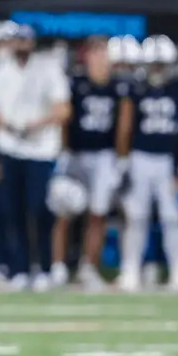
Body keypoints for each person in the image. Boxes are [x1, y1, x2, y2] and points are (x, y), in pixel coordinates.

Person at [0, 24, 71, 289]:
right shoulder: (1, 71)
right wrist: (9, 127)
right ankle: (19, 268)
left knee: (39, 208)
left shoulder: (48, 68)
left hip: (41, 149)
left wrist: (36, 124)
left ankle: (43, 267)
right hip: (11, 148)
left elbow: (63, 109)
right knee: (14, 211)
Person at [50, 36, 131, 288]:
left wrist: (121, 158)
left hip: (105, 155)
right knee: (64, 210)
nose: (100, 59)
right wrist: (63, 151)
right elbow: (65, 118)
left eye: (103, 53)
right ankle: (58, 266)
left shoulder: (118, 87)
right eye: (95, 53)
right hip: (77, 153)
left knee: (98, 214)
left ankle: (89, 267)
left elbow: (124, 124)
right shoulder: (75, 84)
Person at [121, 34, 178, 291]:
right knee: (136, 216)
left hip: (167, 160)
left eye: (161, 64)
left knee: (173, 218)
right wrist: (124, 160)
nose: (157, 70)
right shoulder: (136, 89)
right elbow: (126, 126)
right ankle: (130, 270)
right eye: (153, 64)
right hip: (141, 157)